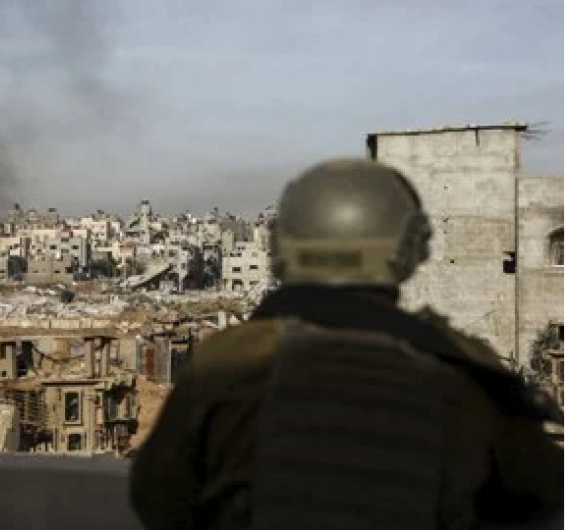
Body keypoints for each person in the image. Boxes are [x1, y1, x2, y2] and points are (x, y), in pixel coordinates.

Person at [129, 157, 563, 530]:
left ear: (280, 246)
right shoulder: (462, 368)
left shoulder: (227, 360)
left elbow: (158, 500)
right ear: (411, 249)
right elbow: (542, 497)